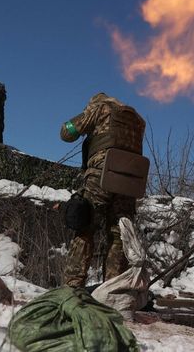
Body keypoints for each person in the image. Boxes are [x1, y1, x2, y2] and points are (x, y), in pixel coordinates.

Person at [60, 92, 145, 287]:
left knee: (85, 224)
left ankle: (73, 286)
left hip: (101, 173)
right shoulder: (138, 120)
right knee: (118, 234)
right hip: (130, 180)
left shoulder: (100, 108)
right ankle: (112, 288)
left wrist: (80, 121)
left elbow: (66, 132)